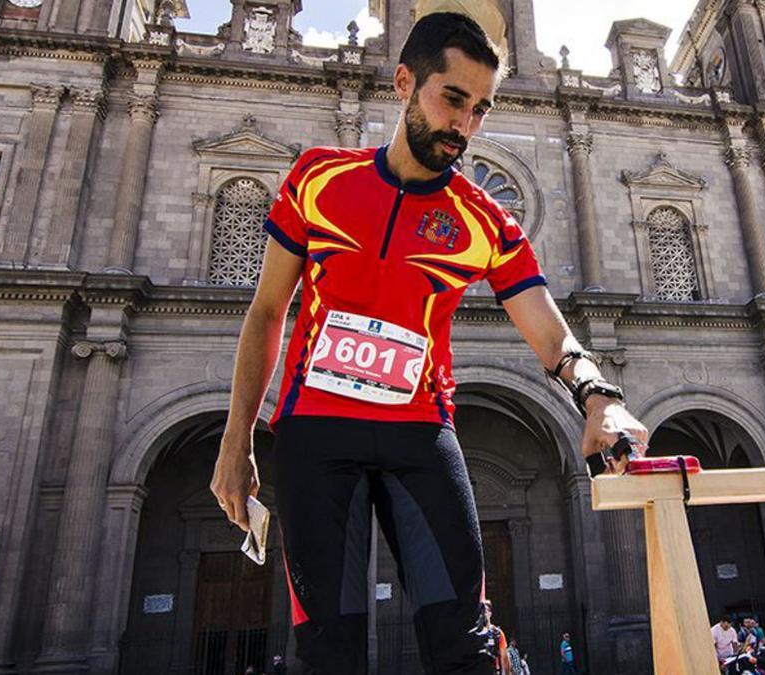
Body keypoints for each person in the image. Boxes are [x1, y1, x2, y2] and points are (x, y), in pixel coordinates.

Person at [209, 11, 649, 675]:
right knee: (329, 652)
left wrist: (599, 393)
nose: (466, 125)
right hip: (314, 438)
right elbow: (268, 311)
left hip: (420, 434)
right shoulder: (318, 179)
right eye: (453, 100)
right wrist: (236, 436)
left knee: (466, 647)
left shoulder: (484, 220)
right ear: (404, 82)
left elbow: (547, 326)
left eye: (481, 110)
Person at [480, 601, 512, 675]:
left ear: (490, 613)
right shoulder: (473, 633)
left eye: (485, 611)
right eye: (480, 612)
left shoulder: (497, 633)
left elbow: (504, 658)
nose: (483, 614)